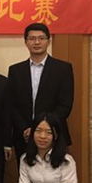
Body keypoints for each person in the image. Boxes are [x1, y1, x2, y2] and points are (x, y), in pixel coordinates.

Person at [7, 23, 74, 162]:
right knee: (26, 174)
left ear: (49, 41)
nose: (37, 42)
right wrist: (25, 129)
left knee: (56, 174)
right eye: (32, 38)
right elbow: (12, 105)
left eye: (41, 38)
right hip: (24, 136)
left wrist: (42, 129)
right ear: (25, 42)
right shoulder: (15, 70)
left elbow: (65, 105)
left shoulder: (63, 69)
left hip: (54, 134)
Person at [16, 113, 77, 183]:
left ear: (55, 135)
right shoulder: (26, 159)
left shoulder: (66, 161)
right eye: (38, 131)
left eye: (49, 132)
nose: (42, 136)